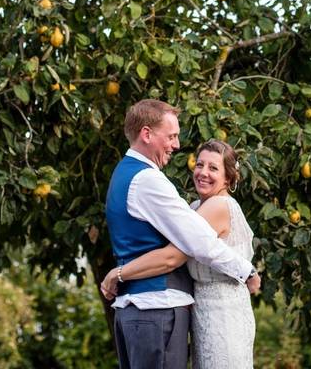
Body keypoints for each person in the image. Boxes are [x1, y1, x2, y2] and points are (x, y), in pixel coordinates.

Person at [104, 100, 260, 369]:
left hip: (171, 311)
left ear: (228, 178)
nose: (176, 145)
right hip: (156, 308)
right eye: (172, 136)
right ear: (147, 134)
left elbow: (179, 250)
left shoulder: (123, 173)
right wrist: (246, 270)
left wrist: (118, 274)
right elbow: (193, 244)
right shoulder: (149, 180)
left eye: (214, 168)